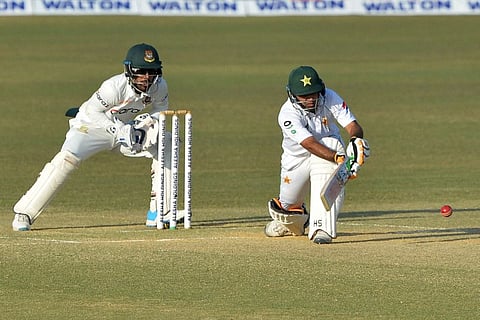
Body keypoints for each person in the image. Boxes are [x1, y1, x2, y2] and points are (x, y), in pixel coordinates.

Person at [12, 43, 175, 231]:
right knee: (66, 160)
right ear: (129, 71)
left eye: (151, 72)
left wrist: (145, 126)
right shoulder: (113, 87)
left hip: (126, 129)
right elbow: (92, 111)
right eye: (141, 72)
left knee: (166, 142)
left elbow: (160, 111)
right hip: (90, 127)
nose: (146, 78)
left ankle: (160, 211)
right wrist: (117, 130)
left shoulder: (160, 87)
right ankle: (25, 213)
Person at [265, 66, 370, 244]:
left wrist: (355, 141)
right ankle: (294, 221)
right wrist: (339, 158)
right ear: (292, 94)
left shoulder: (329, 96)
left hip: (329, 148)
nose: (310, 99)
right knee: (289, 207)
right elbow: (309, 144)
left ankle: (322, 228)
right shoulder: (287, 114)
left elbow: (352, 125)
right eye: (304, 96)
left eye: (313, 93)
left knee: (329, 144)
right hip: (297, 159)